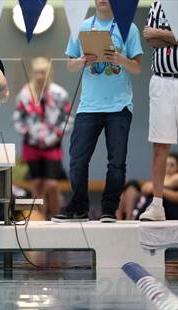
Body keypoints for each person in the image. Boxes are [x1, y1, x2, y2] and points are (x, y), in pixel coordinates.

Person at [52, 0, 143, 223]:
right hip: (89, 105)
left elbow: (137, 67)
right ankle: (79, 207)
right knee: (77, 160)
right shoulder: (82, 27)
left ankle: (109, 208)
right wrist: (83, 60)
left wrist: (121, 60)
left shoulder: (128, 27)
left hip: (119, 105)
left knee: (116, 161)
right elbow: (70, 65)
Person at [14, 57, 73, 219]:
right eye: (37, 72)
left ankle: (55, 218)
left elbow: (68, 118)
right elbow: (18, 117)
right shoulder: (25, 93)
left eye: (43, 72)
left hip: (52, 145)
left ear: (49, 73)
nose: (40, 76)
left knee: (52, 184)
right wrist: (27, 132)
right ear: (33, 73)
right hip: (31, 145)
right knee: (37, 185)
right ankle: (40, 221)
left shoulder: (59, 94)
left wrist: (57, 135)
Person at [139, 1, 178, 221]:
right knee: (160, 145)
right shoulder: (157, 4)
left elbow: (156, 35)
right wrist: (172, 35)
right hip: (162, 81)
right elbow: (150, 38)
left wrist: (160, 33)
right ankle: (157, 205)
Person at [118, 154, 178, 220]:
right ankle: (126, 217)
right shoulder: (159, 178)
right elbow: (145, 189)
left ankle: (134, 217)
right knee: (132, 185)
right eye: (165, 165)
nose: (168, 168)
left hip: (170, 210)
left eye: (172, 165)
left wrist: (157, 190)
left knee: (155, 199)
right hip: (145, 204)